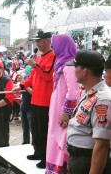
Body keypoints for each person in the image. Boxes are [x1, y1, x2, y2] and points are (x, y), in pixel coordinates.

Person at [13, 30, 56, 168]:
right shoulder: (39, 57)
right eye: (37, 41)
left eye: (40, 41)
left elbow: (48, 76)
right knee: (35, 129)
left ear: (48, 41)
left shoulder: (53, 56)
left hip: (45, 101)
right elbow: (33, 77)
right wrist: (21, 85)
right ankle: (37, 152)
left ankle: (45, 158)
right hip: (35, 99)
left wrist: (35, 65)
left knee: (43, 130)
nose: (38, 43)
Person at [66, 50, 111, 174]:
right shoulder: (89, 92)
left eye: (76, 67)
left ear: (85, 71)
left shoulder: (103, 99)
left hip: (88, 161)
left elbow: (102, 145)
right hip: (78, 158)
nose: (74, 71)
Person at [46, 35, 80, 173]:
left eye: (54, 46)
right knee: (54, 137)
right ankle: (54, 167)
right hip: (56, 109)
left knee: (62, 138)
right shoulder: (61, 63)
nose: (53, 49)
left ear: (62, 46)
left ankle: (61, 167)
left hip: (63, 112)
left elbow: (73, 92)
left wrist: (66, 113)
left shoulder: (70, 65)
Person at [18, 65, 32, 144]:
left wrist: (23, 83)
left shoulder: (35, 80)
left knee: (33, 130)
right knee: (25, 129)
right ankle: (25, 145)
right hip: (23, 106)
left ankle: (35, 148)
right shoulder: (26, 78)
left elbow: (33, 92)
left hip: (31, 108)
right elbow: (22, 91)